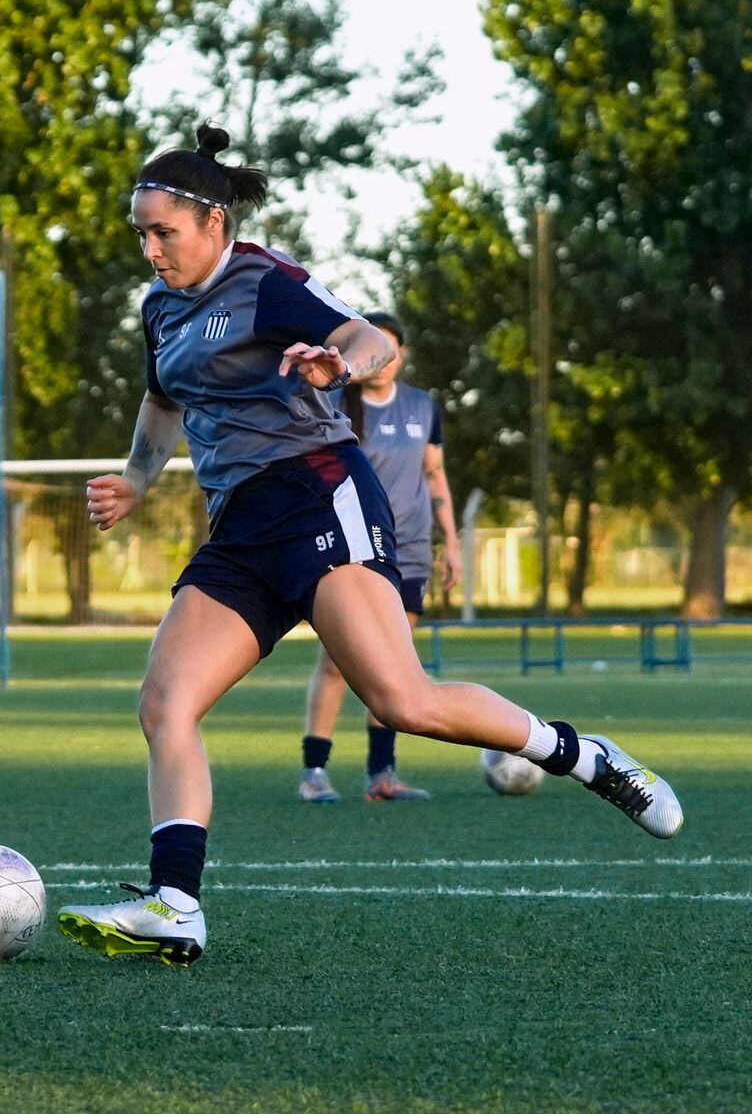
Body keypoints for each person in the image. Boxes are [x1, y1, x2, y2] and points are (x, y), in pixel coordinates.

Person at [55, 124, 681, 968]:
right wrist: (136, 479)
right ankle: (176, 904)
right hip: (239, 525)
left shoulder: (263, 283)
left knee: (401, 702)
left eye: (163, 230)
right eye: (141, 232)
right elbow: (162, 399)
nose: (150, 248)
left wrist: (335, 366)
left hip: (319, 493)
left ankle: (582, 755)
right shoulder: (160, 308)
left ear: (213, 222)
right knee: (165, 704)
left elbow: (370, 340)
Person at [298, 312, 460, 803]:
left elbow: (435, 474)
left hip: (408, 551)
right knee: (336, 662)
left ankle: (382, 775)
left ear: (401, 355)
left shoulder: (423, 406)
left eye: (391, 350)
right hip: (351, 547)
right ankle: (314, 773)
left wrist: (450, 541)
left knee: (395, 664)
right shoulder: (334, 404)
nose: (383, 360)